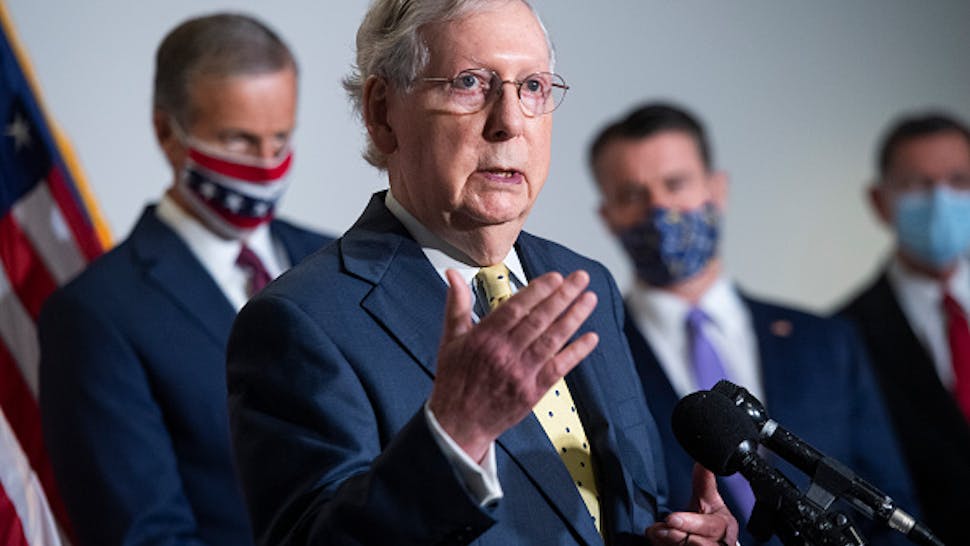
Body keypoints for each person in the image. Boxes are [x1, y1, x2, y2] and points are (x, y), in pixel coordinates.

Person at [226, 2, 739, 545]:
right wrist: (455, 435)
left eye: (534, 87)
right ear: (382, 113)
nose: (511, 122)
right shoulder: (300, 322)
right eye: (470, 83)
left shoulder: (585, 283)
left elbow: (614, 515)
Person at [37, 13, 332, 546]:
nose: (268, 167)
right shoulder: (95, 316)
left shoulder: (339, 259)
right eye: (239, 141)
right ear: (165, 132)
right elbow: (146, 536)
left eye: (281, 138)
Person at [589, 103, 916, 545]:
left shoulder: (827, 343)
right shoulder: (597, 360)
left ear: (717, 189)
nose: (660, 207)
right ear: (607, 216)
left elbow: (891, 506)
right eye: (632, 194)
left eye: (675, 183)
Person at [837, 111, 970, 546]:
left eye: (958, 180)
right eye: (917, 185)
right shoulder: (842, 337)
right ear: (879, 200)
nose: (940, 200)